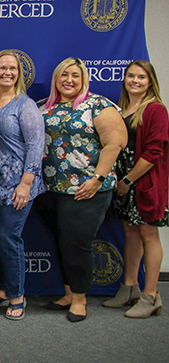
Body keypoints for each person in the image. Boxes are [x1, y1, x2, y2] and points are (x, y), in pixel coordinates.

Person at [37, 57, 126, 322]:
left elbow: (115, 143)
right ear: (56, 79)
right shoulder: (44, 107)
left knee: (77, 244)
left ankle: (79, 300)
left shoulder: (97, 105)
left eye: (75, 75)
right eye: (64, 75)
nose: (69, 80)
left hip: (87, 189)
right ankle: (68, 293)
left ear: (83, 79)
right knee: (63, 243)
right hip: (51, 189)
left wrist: (97, 179)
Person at [0, 50, 44, 320]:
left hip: (18, 185)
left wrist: (26, 183)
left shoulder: (24, 105)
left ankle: (17, 295)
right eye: (2, 68)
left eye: (13, 68)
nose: (7, 72)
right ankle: (5, 289)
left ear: (19, 73)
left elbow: (36, 145)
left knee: (9, 238)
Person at [105, 60, 167, 318]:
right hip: (124, 184)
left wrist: (129, 180)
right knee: (130, 232)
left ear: (150, 81)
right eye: (131, 76)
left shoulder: (155, 110)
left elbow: (154, 151)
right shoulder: (122, 108)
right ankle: (129, 287)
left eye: (141, 77)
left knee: (148, 234)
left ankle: (151, 295)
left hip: (143, 183)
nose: (135, 81)